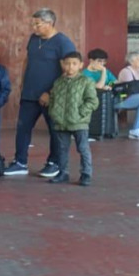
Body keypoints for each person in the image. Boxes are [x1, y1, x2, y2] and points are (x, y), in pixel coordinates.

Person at [4, 9, 76, 177]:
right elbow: (27, 60)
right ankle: (20, 162)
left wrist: (50, 92)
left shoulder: (63, 43)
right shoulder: (34, 38)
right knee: (23, 128)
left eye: (37, 24)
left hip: (51, 97)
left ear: (49, 23)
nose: (34, 27)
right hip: (29, 93)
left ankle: (54, 163)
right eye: (33, 24)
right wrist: (22, 82)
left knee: (54, 130)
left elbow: (68, 71)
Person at [47, 53, 98, 186]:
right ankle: (63, 173)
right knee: (62, 149)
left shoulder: (86, 81)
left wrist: (80, 113)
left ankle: (86, 174)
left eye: (74, 64)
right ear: (63, 64)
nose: (70, 67)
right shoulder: (58, 82)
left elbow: (92, 101)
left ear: (81, 65)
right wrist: (53, 112)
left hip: (79, 122)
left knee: (83, 148)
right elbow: (52, 99)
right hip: (61, 122)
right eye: (67, 63)